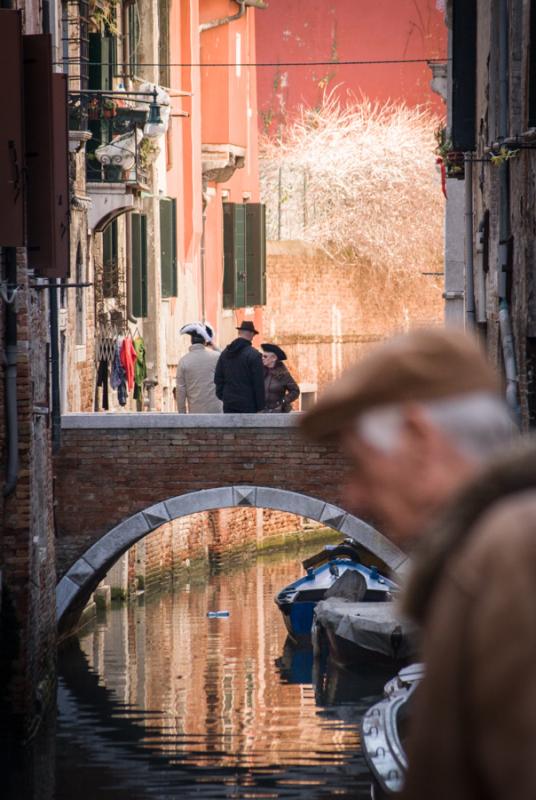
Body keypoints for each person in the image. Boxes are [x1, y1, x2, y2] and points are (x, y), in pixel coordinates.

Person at [299, 327, 536, 800]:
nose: (354, 494)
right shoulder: (489, 551)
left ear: (418, 435)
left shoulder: (512, 552)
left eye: (360, 463)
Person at [214, 320, 265, 413]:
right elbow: (258, 383)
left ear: (239, 333)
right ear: (251, 334)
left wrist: (225, 396)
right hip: (249, 405)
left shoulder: (225, 353)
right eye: (253, 335)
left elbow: (218, 378)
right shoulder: (254, 355)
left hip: (229, 404)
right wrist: (260, 407)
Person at [176, 322, 222, 413]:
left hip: (196, 414)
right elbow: (227, 357)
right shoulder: (216, 357)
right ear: (205, 342)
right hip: (217, 412)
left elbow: (180, 392)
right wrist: (214, 346)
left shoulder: (183, 361)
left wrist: (182, 415)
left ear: (191, 341)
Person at [260, 343, 300, 412]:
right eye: (262, 356)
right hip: (262, 412)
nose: (262, 358)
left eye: (265, 356)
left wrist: (283, 401)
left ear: (274, 358)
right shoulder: (259, 372)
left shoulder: (283, 374)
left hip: (278, 412)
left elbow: (295, 391)